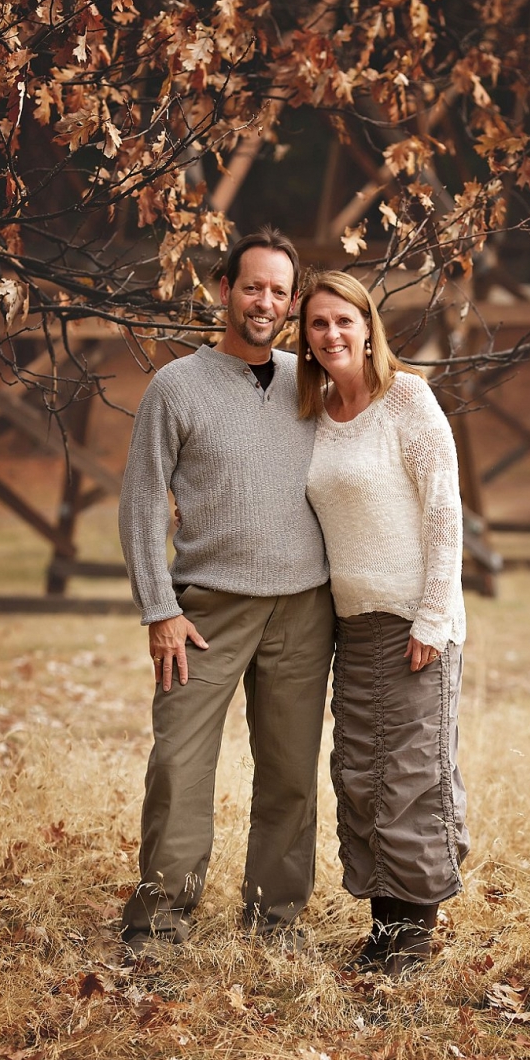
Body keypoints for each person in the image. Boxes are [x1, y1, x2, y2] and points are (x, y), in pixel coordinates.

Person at [118, 228, 334, 959]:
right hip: (205, 611)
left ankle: (276, 918)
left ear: (293, 302)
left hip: (304, 609)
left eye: (279, 290)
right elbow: (142, 502)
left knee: (290, 772)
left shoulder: (311, 382)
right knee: (179, 765)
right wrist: (159, 608)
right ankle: (159, 923)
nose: (264, 301)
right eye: (252, 286)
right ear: (223, 289)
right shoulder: (176, 386)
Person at [297, 269, 469, 978]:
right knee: (362, 775)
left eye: (345, 320)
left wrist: (432, 616)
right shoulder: (314, 411)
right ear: (306, 338)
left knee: (412, 776)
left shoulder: (408, 399)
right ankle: (384, 928)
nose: (332, 333)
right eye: (318, 323)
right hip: (352, 624)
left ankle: (414, 940)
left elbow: (443, 511)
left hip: (413, 622)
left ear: (369, 327)